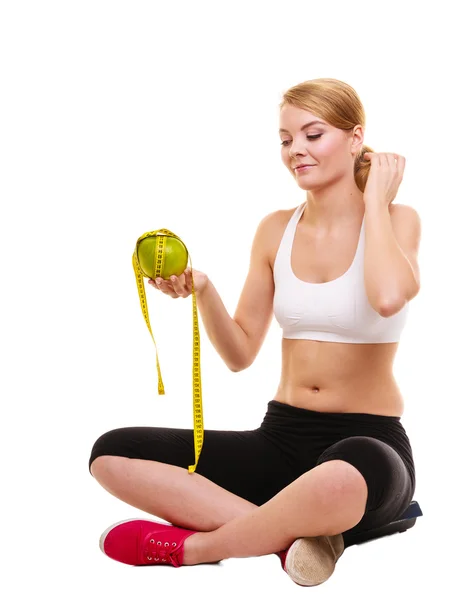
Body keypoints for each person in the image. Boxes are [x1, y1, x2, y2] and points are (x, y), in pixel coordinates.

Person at [88, 78, 421, 587]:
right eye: (286, 140)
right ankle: (294, 539)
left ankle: (198, 548)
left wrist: (375, 200)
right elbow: (241, 352)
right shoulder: (275, 230)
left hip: (367, 443)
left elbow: (389, 296)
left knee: (337, 479)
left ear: (356, 138)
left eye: (313, 134)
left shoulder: (398, 219)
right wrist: (203, 290)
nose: (296, 152)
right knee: (111, 452)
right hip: (281, 438)